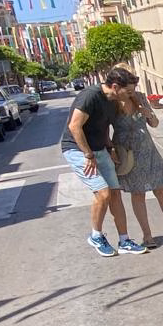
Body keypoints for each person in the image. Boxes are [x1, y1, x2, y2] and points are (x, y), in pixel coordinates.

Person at [61, 65, 147, 257]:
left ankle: (124, 240)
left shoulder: (113, 100)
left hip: (100, 149)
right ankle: (96, 236)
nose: (130, 94)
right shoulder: (90, 96)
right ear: (116, 86)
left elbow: (103, 127)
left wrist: (110, 148)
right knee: (103, 193)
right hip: (77, 149)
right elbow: (75, 126)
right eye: (129, 91)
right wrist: (88, 155)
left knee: (115, 193)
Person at [111, 71, 163, 248]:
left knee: (161, 190)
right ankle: (147, 235)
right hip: (128, 154)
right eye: (128, 89)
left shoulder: (139, 98)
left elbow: (154, 124)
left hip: (148, 150)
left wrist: (148, 114)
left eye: (133, 88)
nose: (132, 92)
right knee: (138, 194)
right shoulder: (112, 104)